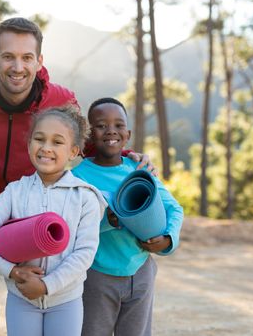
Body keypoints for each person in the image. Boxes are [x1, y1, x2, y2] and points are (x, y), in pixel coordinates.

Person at [0, 17, 155, 335]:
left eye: (26, 57)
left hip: (38, 209)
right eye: (8, 56)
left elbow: (84, 144)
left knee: (44, 285)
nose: (17, 67)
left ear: (39, 60)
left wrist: (126, 157)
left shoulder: (61, 99)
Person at [0, 105, 107, 336]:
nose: (46, 148)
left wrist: (46, 286)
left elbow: (84, 253)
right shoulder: (14, 192)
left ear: (73, 151)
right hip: (21, 300)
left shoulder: (85, 197)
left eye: (57, 142)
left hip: (66, 302)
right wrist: (13, 271)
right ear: (29, 143)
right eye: (39, 139)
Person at [71, 97, 184, 336]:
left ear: (128, 133)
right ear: (89, 136)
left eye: (118, 125)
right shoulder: (78, 177)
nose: (111, 130)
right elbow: (71, 224)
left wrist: (168, 239)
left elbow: (174, 208)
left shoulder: (139, 170)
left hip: (141, 271)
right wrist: (104, 221)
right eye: (101, 125)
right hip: (96, 275)